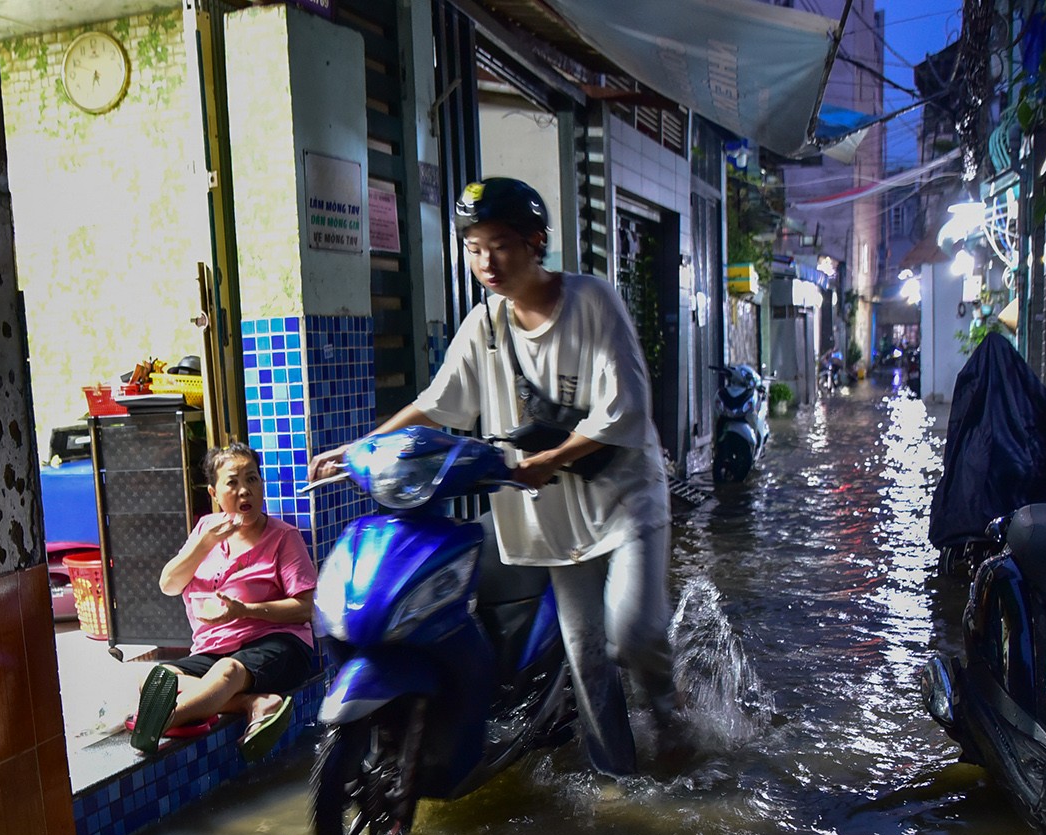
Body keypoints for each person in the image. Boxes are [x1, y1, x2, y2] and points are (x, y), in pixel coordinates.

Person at [311, 177, 678, 777]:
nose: (487, 262)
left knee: (631, 634)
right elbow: (438, 403)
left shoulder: (593, 302)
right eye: (475, 247)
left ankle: (670, 721)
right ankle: (620, 776)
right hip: (552, 518)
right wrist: (361, 445)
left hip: (623, 499)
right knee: (587, 657)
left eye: (501, 245)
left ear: (537, 242)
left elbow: (626, 408)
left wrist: (547, 461)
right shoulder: (484, 326)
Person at [130, 443, 317, 762]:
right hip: (213, 649)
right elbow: (170, 584)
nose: (245, 490)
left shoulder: (283, 537)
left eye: (252, 479)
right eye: (232, 482)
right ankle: (253, 703)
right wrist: (203, 544)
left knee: (227, 671)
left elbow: (306, 607)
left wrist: (245, 611)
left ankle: (159, 724)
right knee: (154, 677)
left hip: (277, 645)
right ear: (214, 492)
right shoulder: (205, 529)